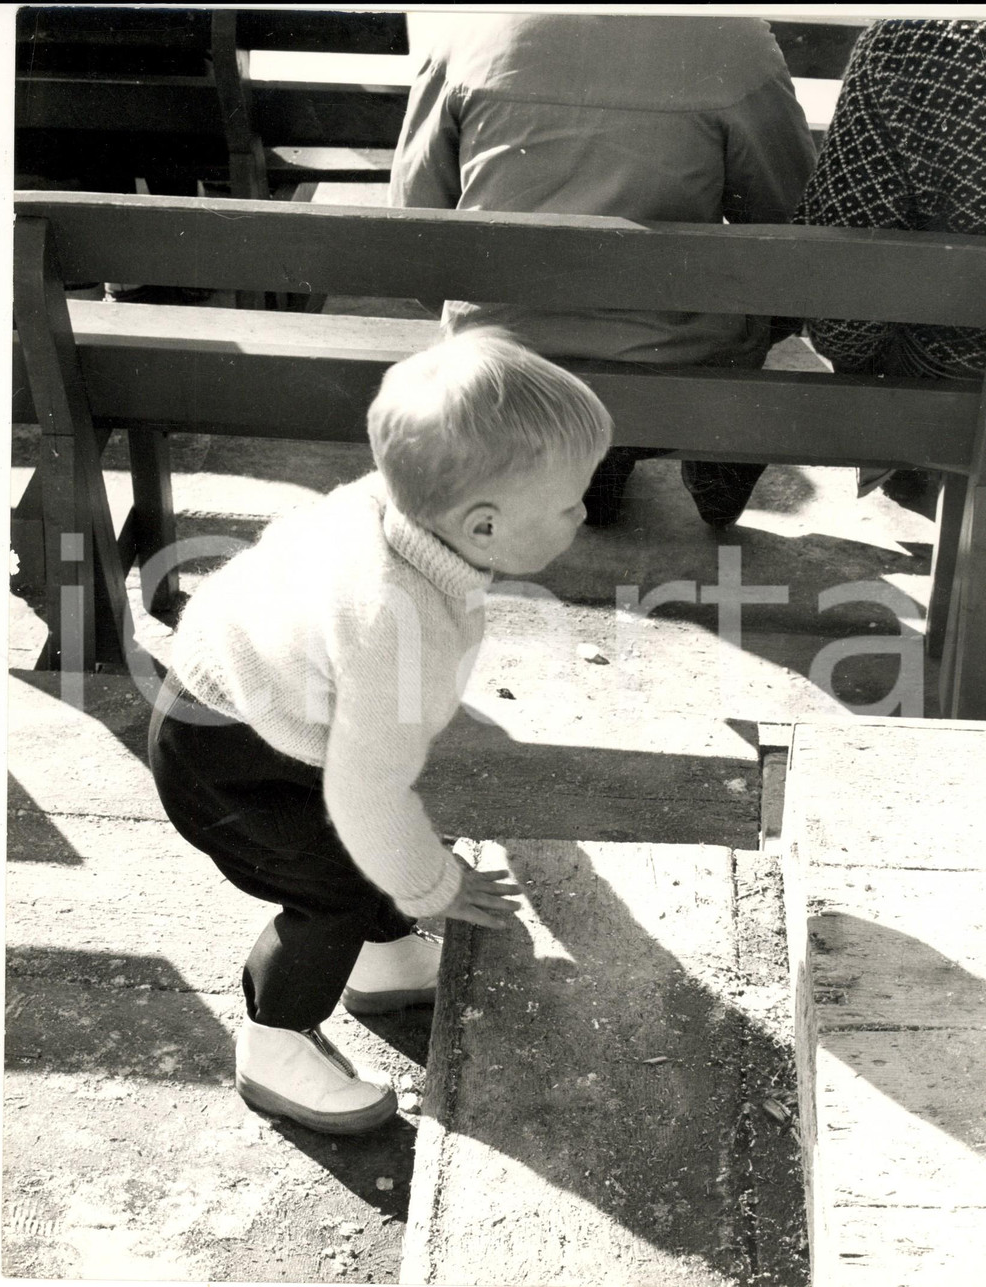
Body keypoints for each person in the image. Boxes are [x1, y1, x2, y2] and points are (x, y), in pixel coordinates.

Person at [147, 328, 613, 1134]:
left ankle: (382, 954)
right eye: (571, 499)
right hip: (226, 755)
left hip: (246, 703)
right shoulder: (399, 622)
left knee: (359, 850)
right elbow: (367, 790)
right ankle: (274, 1041)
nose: (584, 510)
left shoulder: (400, 504)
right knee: (331, 878)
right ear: (485, 528)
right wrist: (435, 885)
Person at [390, 12, 816, 527]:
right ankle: (705, 439)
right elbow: (791, 222)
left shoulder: (475, 27)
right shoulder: (735, 36)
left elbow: (414, 223)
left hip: (502, 354)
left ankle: (594, 465)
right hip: (683, 357)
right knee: (742, 311)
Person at [796, 18, 986, 500]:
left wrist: (853, 363)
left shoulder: (913, 39)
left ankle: (906, 470)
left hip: (957, 367)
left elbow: (849, 265)